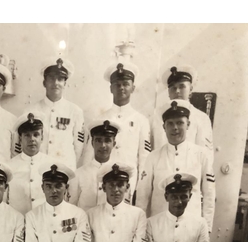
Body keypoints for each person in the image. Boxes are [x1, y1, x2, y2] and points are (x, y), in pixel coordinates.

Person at [136, 99, 215, 232]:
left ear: (188, 124)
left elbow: (209, 194)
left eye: (180, 123)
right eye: (170, 123)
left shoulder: (201, 155)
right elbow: (142, 196)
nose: (175, 128)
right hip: (159, 228)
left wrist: (206, 229)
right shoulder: (153, 157)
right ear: (164, 127)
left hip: (190, 228)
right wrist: (140, 228)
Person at [82, 63, 151, 195]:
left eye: (126, 84)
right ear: (111, 88)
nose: (121, 88)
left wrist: (139, 189)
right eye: (117, 84)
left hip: (128, 183)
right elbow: (88, 155)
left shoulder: (141, 121)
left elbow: (144, 158)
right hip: (102, 182)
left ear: (133, 88)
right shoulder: (100, 119)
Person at [17, 57, 86, 170]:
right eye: (51, 78)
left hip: (64, 170)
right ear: (44, 82)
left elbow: (78, 148)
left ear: (65, 83)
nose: (55, 83)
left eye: (60, 79)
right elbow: (21, 144)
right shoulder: (30, 111)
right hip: (37, 170)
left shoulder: (75, 111)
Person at [152, 65, 214, 164]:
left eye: (182, 86)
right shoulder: (157, 117)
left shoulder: (201, 118)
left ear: (191, 89)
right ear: (168, 92)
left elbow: (206, 156)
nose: (177, 91)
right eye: (173, 88)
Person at [8, 112, 60, 215]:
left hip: (45, 222)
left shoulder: (53, 165)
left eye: (36, 135)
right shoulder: (9, 167)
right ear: (20, 139)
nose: (32, 139)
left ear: (42, 138)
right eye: (27, 135)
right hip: (18, 223)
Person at [69, 119, 121, 211]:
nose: (103, 145)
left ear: (114, 144)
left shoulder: (121, 174)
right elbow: (71, 208)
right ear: (92, 143)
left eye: (108, 140)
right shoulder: (79, 174)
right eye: (98, 140)